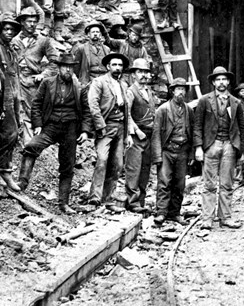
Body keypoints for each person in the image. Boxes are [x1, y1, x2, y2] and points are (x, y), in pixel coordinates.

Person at [19, 54, 90, 213]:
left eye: (71, 67)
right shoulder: (47, 82)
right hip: (50, 126)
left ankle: (63, 203)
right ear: (59, 67)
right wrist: (37, 125)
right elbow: (36, 105)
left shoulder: (79, 87)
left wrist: (85, 131)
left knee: (67, 166)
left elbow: (86, 111)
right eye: (65, 66)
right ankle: (22, 182)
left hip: (70, 129)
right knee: (31, 146)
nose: (68, 70)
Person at [194, 66, 244, 230]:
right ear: (214, 82)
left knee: (227, 184)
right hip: (211, 145)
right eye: (218, 79)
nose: (221, 82)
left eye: (224, 79)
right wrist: (198, 148)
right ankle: (207, 219)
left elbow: (241, 128)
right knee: (209, 184)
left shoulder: (236, 102)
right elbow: (197, 126)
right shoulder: (204, 100)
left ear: (228, 82)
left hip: (229, 145)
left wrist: (241, 150)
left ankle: (225, 217)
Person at [87, 52, 133, 209]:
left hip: (120, 127)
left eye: (120, 65)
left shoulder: (124, 85)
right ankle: (94, 197)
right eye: (114, 64)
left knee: (117, 164)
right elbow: (93, 106)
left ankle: (108, 198)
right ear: (108, 66)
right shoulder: (99, 82)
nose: (117, 68)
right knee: (102, 161)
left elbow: (127, 111)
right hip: (106, 127)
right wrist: (100, 126)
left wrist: (126, 134)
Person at [152, 78, 194, 227]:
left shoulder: (188, 110)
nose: (181, 92)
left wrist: (191, 154)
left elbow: (192, 132)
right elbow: (156, 134)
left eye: (183, 89)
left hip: (182, 151)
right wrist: (157, 155)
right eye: (178, 89)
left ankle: (175, 213)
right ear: (172, 91)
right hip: (167, 151)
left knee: (179, 184)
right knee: (164, 182)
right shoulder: (163, 110)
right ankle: (161, 213)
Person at [12, 6, 58, 141]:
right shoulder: (12, 39)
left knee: (32, 111)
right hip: (13, 79)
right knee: (12, 109)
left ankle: (30, 143)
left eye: (34, 21)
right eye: (28, 21)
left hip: (31, 81)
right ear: (21, 22)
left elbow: (54, 61)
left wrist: (43, 75)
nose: (32, 24)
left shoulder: (43, 40)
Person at [124, 58, 158, 213]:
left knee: (145, 170)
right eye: (140, 72)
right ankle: (132, 202)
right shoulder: (131, 92)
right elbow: (127, 114)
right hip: (137, 137)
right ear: (133, 74)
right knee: (134, 169)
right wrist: (137, 131)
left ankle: (141, 203)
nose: (144, 75)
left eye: (146, 72)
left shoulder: (149, 92)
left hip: (149, 136)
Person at [0, 14, 23, 192]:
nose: (9, 32)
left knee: (14, 133)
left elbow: (15, 76)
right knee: (9, 132)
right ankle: (5, 171)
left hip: (13, 92)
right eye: (6, 29)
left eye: (12, 30)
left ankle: (4, 169)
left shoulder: (11, 50)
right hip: (2, 94)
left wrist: (18, 102)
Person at [74, 21, 112, 95]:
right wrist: (82, 82)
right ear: (88, 34)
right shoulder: (81, 49)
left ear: (100, 35)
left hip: (104, 81)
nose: (95, 34)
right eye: (93, 32)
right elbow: (76, 69)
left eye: (97, 32)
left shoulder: (106, 49)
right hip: (89, 81)